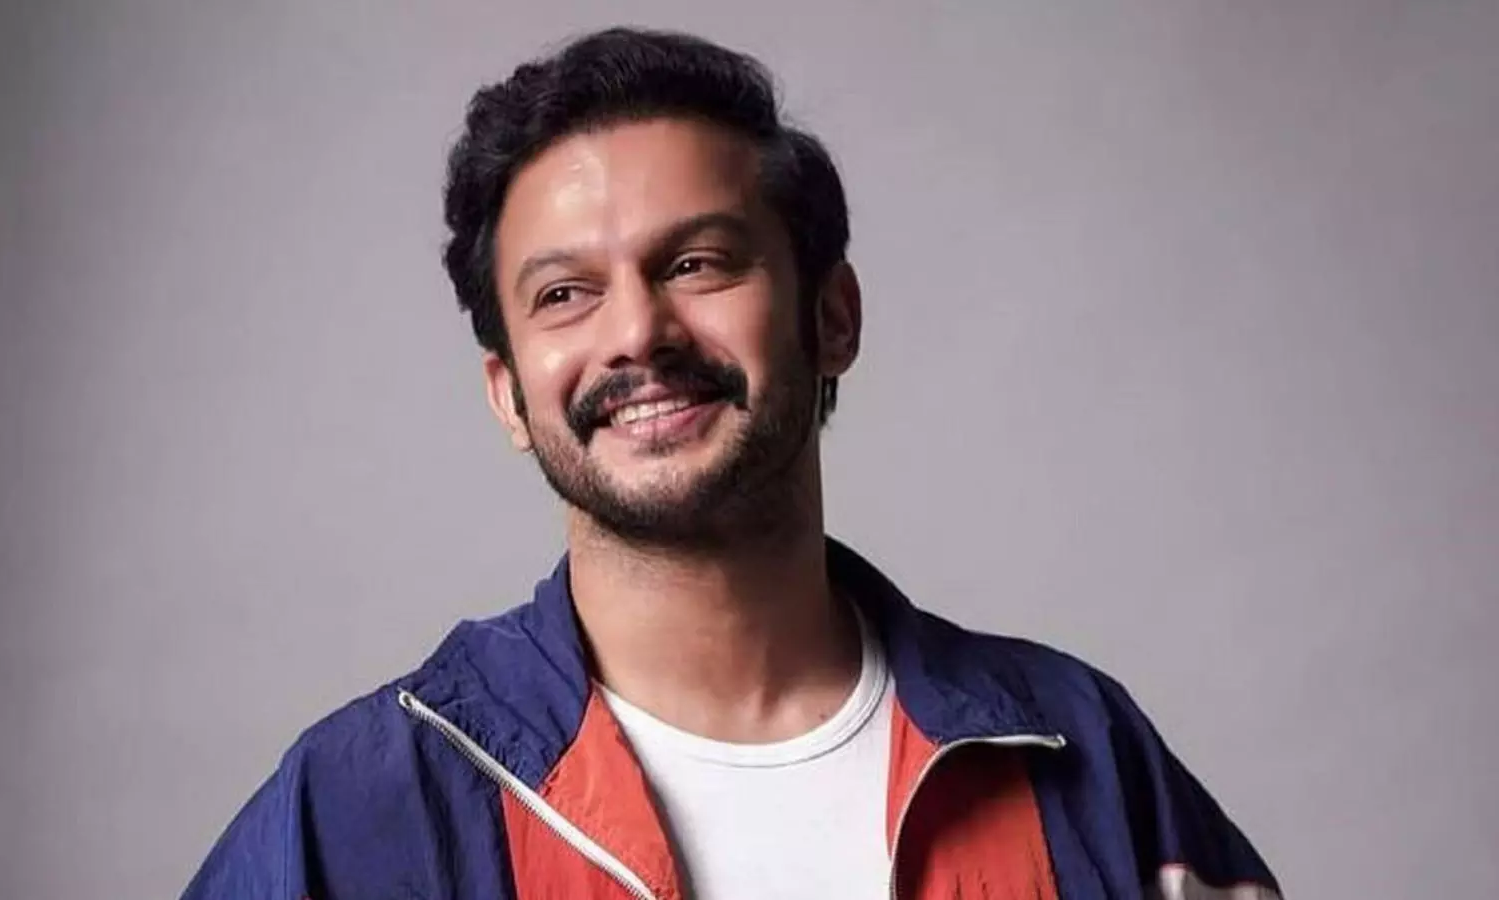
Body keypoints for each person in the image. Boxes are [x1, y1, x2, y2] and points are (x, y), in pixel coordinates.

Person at [183, 26, 1282, 900]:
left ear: (833, 316)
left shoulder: (1076, 751)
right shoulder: (365, 807)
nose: (637, 333)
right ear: (509, 392)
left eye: (697, 263)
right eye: (564, 294)